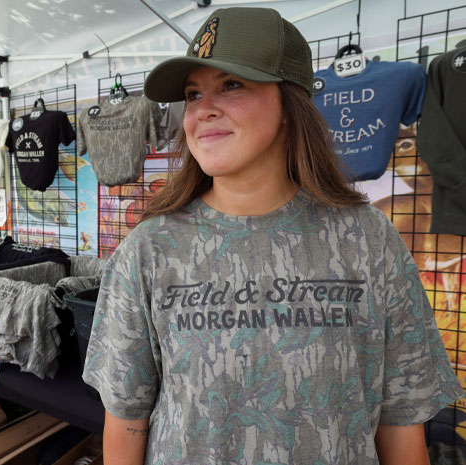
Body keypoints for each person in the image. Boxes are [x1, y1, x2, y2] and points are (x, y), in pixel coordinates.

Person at [82, 7, 464, 465]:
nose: (203, 109)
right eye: (193, 93)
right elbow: (126, 422)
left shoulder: (366, 240)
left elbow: (400, 423)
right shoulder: (148, 251)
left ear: (290, 104)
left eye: (231, 84)